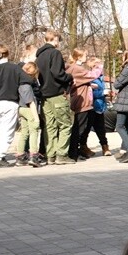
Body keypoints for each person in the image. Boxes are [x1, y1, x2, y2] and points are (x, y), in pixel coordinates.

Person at [36, 30, 74, 165]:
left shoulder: (39, 56)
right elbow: (58, 73)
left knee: (49, 126)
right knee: (65, 125)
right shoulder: (55, 53)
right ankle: (61, 155)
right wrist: (69, 77)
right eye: (58, 40)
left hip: (44, 95)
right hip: (57, 93)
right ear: (55, 39)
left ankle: (50, 155)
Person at [65, 48, 96, 161]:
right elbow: (93, 75)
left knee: (84, 126)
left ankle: (78, 150)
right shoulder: (76, 68)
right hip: (81, 102)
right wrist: (98, 66)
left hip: (84, 101)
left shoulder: (77, 68)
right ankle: (72, 152)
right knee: (79, 128)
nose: (86, 57)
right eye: (85, 55)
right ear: (78, 56)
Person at [16, 62, 45, 167]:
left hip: (20, 109)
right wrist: (36, 118)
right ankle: (34, 155)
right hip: (28, 109)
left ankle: (20, 156)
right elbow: (31, 102)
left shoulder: (19, 83)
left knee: (24, 132)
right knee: (34, 131)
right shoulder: (27, 86)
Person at [87, 57, 111, 156]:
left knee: (101, 128)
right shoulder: (91, 77)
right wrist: (102, 93)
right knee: (87, 129)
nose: (100, 67)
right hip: (92, 106)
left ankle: (105, 146)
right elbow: (90, 93)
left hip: (100, 106)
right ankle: (83, 147)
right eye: (97, 66)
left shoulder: (101, 78)